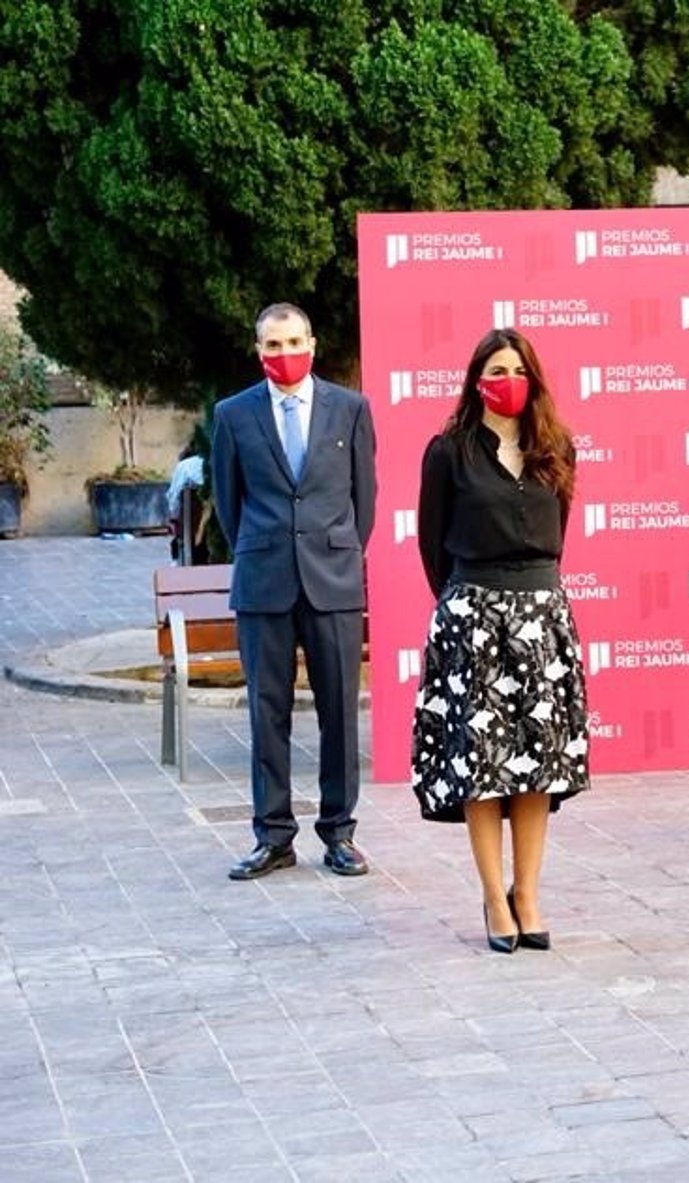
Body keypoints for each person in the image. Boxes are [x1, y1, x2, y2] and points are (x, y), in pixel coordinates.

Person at [410, 328, 590, 953]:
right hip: (474, 618)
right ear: (476, 381)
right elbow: (432, 546)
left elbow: (559, 533)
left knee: (539, 765)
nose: (507, 381)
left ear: (533, 380)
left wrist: (532, 598)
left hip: (542, 615)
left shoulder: (557, 447)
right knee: (481, 765)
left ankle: (528, 894)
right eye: (495, 371)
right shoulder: (448, 452)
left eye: (518, 370)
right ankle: (494, 898)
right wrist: (468, 605)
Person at [211, 303, 376, 879]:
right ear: (258, 350)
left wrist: (336, 552)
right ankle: (273, 836)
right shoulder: (232, 415)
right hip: (264, 583)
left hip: (333, 582)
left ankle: (340, 833)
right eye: (273, 345)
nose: (285, 354)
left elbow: (364, 500)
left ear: (313, 343)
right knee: (267, 712)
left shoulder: (350, 409)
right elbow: (229, 505)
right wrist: (264, 549)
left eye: (294, 342)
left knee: (340, 713)